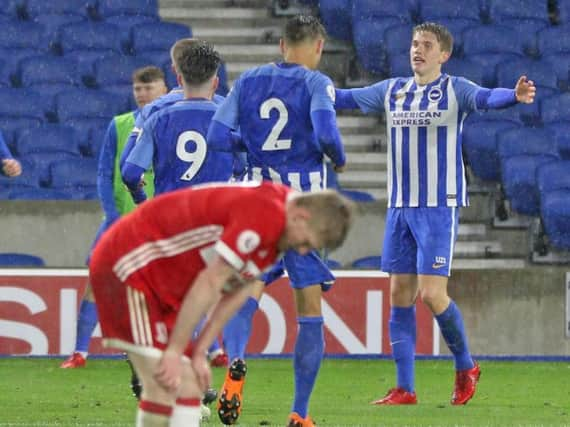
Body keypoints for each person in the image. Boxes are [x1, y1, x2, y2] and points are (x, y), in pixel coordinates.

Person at [334, 22, 536, 405]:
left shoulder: (454, 89)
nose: (418, 50)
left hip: (437, 205)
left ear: (444, 55)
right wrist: (313, 92)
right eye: (414, 44)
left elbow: (487, 98)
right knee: (400, 294)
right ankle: (405, 388)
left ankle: (465, 366)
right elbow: (345, 98)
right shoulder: (393, 90)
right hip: (400, 206)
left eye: (427, 45)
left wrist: (513, 94)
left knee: (431, 294)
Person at [89, 181, 355, 427]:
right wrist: (178, 349)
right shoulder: (264, 215)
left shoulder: (279, 226)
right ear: (302, 216)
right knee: (168, 383)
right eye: (307, 242)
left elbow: (238, 290)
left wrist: (200, 350)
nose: (302, 251)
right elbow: (210, 282)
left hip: (156, 277)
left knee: (187, 386)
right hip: (128, 265)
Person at [207, 14, 346, 426]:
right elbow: (325, 134)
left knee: (247, 289)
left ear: (283, 45)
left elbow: (217, 137)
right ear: (318, 47)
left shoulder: (249, 80)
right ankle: (299, 412)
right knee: (308, 308)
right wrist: (337, 157)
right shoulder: (316, 83)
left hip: (258, 201)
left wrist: (249, 146)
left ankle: (236, 361)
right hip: (303, 207)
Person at [121, 38, 232, 367]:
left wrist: (143, 202)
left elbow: (129, 170)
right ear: (215, 80)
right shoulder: (227, 115)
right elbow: (246, 170)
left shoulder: (156, 115)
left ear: (177, 76)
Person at [60, 66, 168, 370]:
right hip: (121, 219)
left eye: (149, 88)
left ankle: (207, 351)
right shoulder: (119, 124)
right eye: (138, 89)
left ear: (165, 88)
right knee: (98, 280)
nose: (143, 94)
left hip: (159, 220)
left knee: (173, 284)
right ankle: (80, 352)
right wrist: (112, 212)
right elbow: (105, 172)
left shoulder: (170, 122)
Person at [121, 39, 233, 202]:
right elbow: (244, 166)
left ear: (175, 72)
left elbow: (128, 167)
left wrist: (140, 199)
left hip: (170, 210)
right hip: (216, 210)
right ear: (215, 81)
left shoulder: (154, 111)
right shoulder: (227, 110)